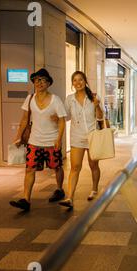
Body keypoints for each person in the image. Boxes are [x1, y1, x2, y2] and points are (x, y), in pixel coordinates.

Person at [9, 68, 67, 212]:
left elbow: (61, 120)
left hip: (51, 141)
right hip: (34, 141)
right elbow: (24, 120)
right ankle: (26, 199)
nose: (39, 82)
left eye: (43, 80)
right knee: (29, 169)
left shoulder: (56, 100)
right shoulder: (29, 99)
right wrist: (18, 137)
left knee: (57, 167)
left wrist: (59, 139)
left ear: (48, 83)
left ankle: (59, 189)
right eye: (37, 80)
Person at [58, 71, 105, 209]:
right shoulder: (69, 99)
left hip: (92, 136)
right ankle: (70, 197)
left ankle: (94, 189)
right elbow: (65, 116)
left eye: (80, 80)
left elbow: (101, 117)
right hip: (76, 137)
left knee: (93, 165)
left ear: (85, 81)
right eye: (75, 80)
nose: (78, 83)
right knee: (75, 167)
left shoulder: (93, 97)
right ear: (72, 83)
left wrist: (97, 105)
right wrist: (57, 117)